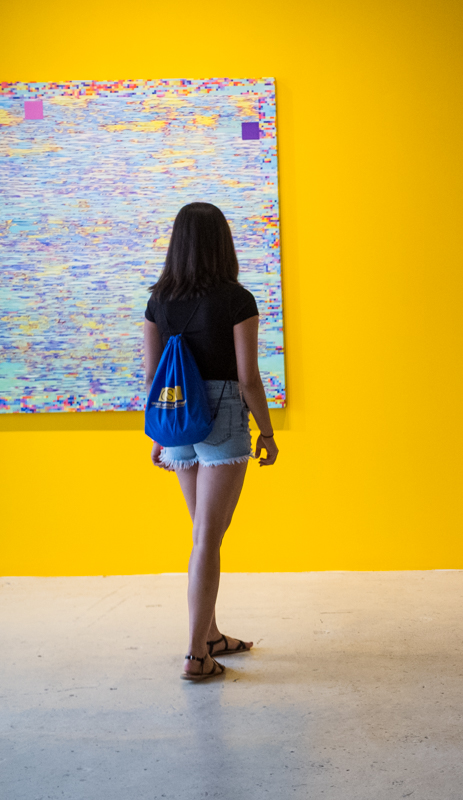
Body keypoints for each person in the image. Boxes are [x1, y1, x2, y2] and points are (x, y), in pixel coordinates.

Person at [141, 202, 279, 682]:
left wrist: (159, 435)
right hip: (220, 413)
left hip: (177, 417)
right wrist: (266, 432)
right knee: (208, 537)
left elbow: (153, 378)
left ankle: (213, 634)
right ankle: (197, 654)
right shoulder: (236, 300)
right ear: (223, 242)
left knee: (205, 533)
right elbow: (249, 380)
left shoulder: (158, 300)